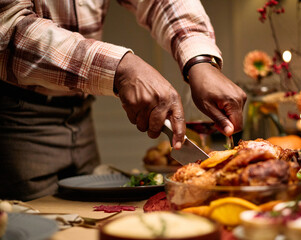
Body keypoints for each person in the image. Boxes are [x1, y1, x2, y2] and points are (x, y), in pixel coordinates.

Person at [0, 0, 247, 201]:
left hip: (82, 118)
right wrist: (120, 67)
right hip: (15, 121)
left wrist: (199, 60)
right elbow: (8, 25)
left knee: (87, 222)